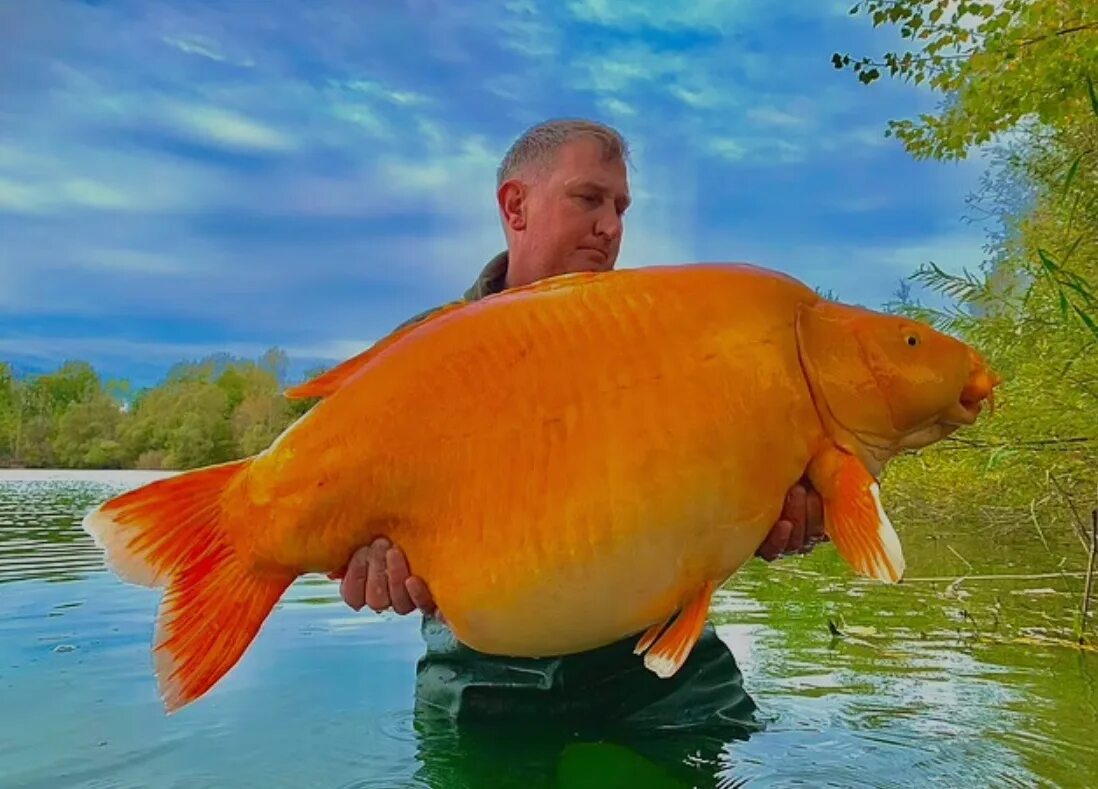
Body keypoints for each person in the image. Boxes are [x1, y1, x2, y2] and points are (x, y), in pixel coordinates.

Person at [334, 118, 826, 730]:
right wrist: (369, 567)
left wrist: (798, 516)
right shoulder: (418, 358)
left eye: (621, 208)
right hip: (480, 681)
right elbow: (354, 525)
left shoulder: (672, 339)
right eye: (589, 199)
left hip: (665, 677)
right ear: (515, 206)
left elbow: (753, 486)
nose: (611, 227)